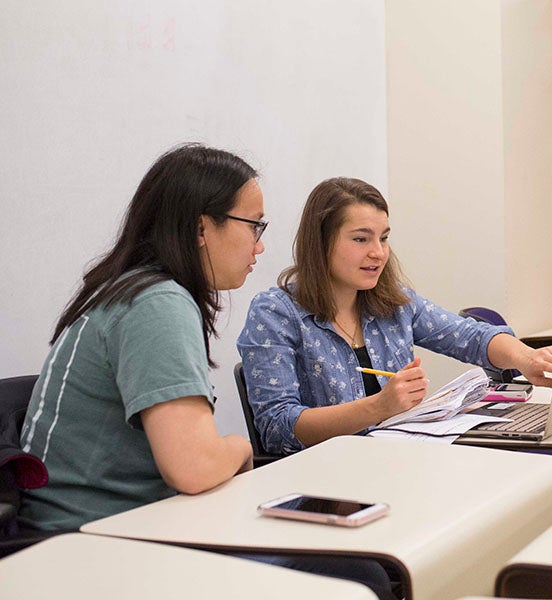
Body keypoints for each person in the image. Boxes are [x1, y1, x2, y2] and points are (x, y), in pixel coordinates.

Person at [18, 146, 392, 599]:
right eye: (254, 225)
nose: (260, 244)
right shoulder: (158, 304)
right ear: (201, 227)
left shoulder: (135, 290)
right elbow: (192, 468)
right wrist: (236, 446)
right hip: (98, 544)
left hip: (104, 527)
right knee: (359, 573)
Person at [237, 177, 552, 454]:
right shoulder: (276, 313)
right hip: (325, 483)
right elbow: (277, 428)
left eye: (384, 238)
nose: (378, 252)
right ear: (321, 243)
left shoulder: (395, 303)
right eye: (361, 239)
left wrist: (527, 359)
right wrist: (379, 407)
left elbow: (471, 336)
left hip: (401, 462)